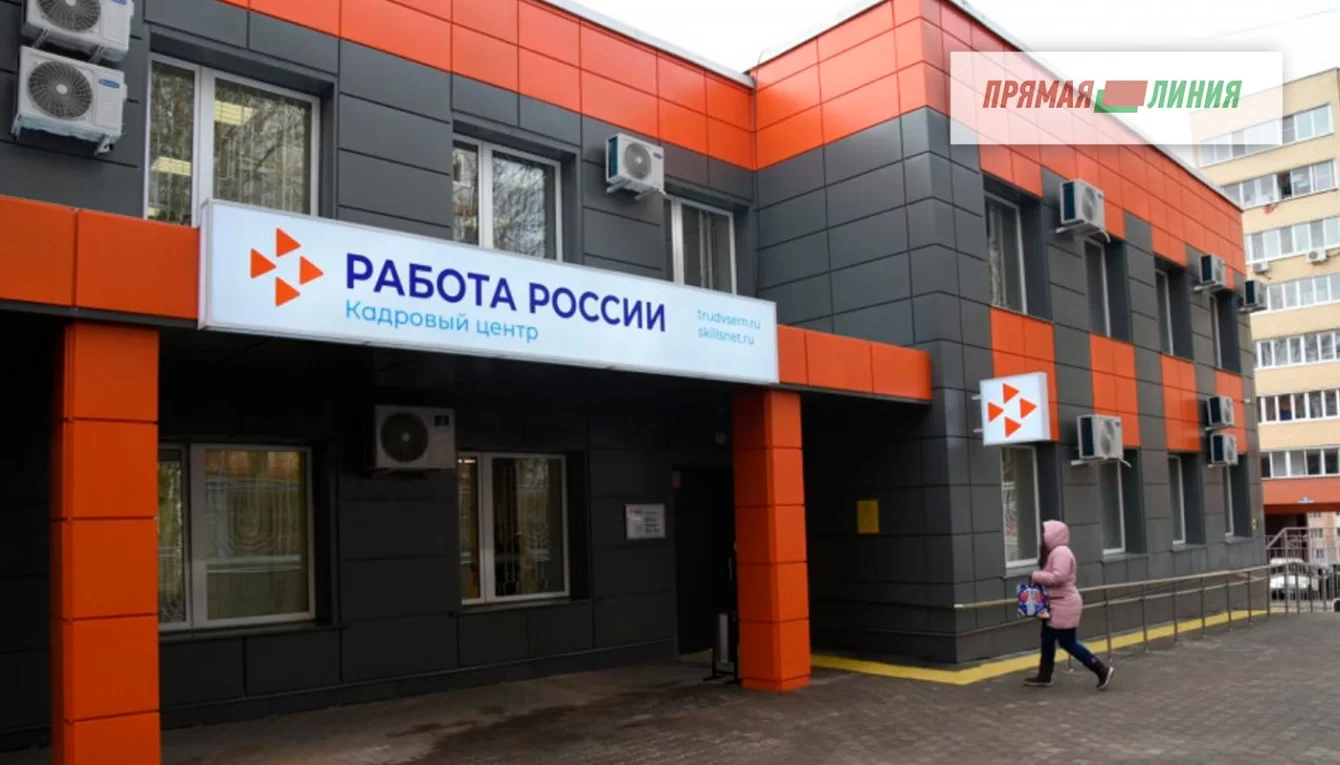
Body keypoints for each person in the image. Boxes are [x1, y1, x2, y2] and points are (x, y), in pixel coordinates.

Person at [1025, 520, 1115, 690]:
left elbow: (1059, 577)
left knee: (1068, 642)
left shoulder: (1061, 552)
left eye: (1045, 533)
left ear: (1054, 534)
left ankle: (1101, 669)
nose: (1043, 536)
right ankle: (1044, 676)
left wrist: (1036, 576)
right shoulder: (1056, 552)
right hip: (1054, 603)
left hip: (1063, 604)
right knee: (1047, 640)